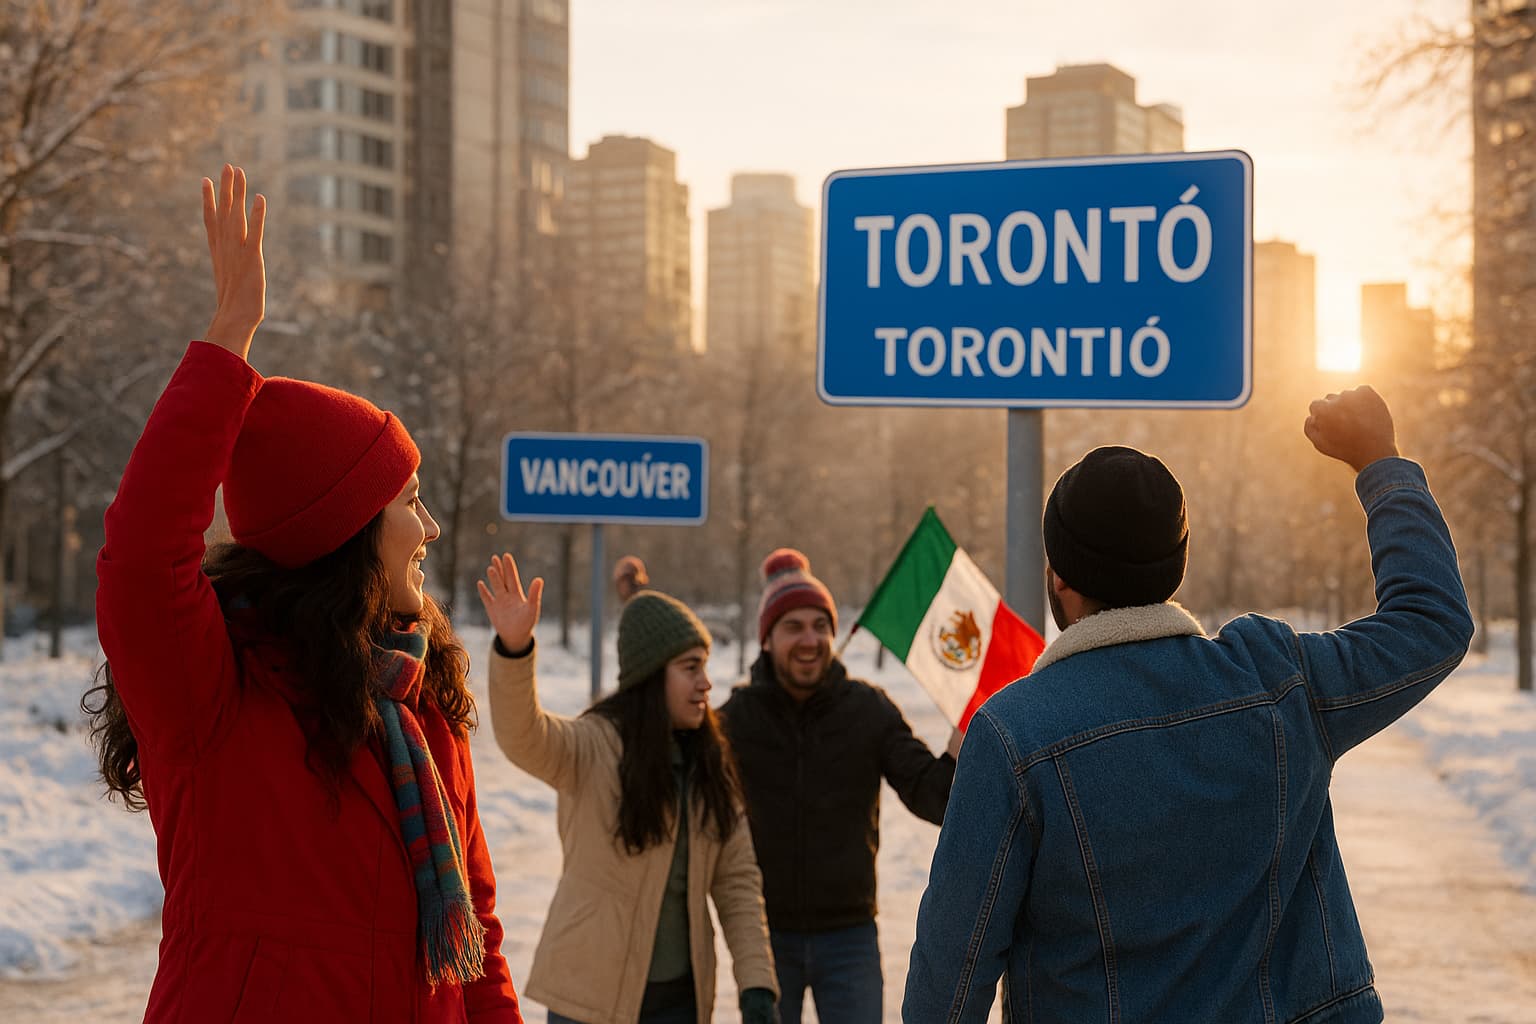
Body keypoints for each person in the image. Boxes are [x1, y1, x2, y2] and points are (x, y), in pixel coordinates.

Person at [85, 166, 523, 1023]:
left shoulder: (424, 699)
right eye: (409, 501)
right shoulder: (213, 695)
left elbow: (477, 940)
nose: (431, 527)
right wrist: (228, 342)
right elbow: (141, 558)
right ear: (345, 529)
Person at [903, 386, 1475, 1023]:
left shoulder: (1015, 734)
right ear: (1175, 569)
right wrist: (1380, 463)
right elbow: (1432, 623)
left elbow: (950, 975)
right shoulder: (1278, 680)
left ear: (1058, 579)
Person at [481, 554, 779, 1024]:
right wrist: (515, 651)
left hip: (679, 1006)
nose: (706, 683)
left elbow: (737, 882)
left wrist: (757, 984)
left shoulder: (709, 766)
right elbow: (525, 736)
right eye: (691, 667)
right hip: (586, 1001)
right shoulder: (592, 746)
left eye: (704, 666)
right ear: (652, 676)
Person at [718, 549, 962, 1024]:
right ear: (767, 639)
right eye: (793, 627)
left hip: (850, 938)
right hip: (766, 938)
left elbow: (934, 796)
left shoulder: (867, 709)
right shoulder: (736, 719)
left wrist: (958, 751)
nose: (810, 640)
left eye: (820, 626)